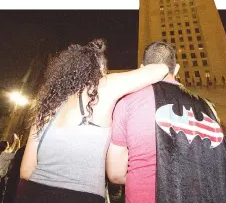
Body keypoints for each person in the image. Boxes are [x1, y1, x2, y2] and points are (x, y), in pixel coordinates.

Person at [17, 39, 168, 203]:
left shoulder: (46, 107)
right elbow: (160, 69)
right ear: (100, 69)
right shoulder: (100, 90)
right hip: (79, 196)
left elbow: (26, 171)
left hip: (32, 193)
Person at [107, 42, 226, 203]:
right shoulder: (208, 108)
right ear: (177, 69)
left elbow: (116, 174)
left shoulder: (128, 102)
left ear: (143, 68)